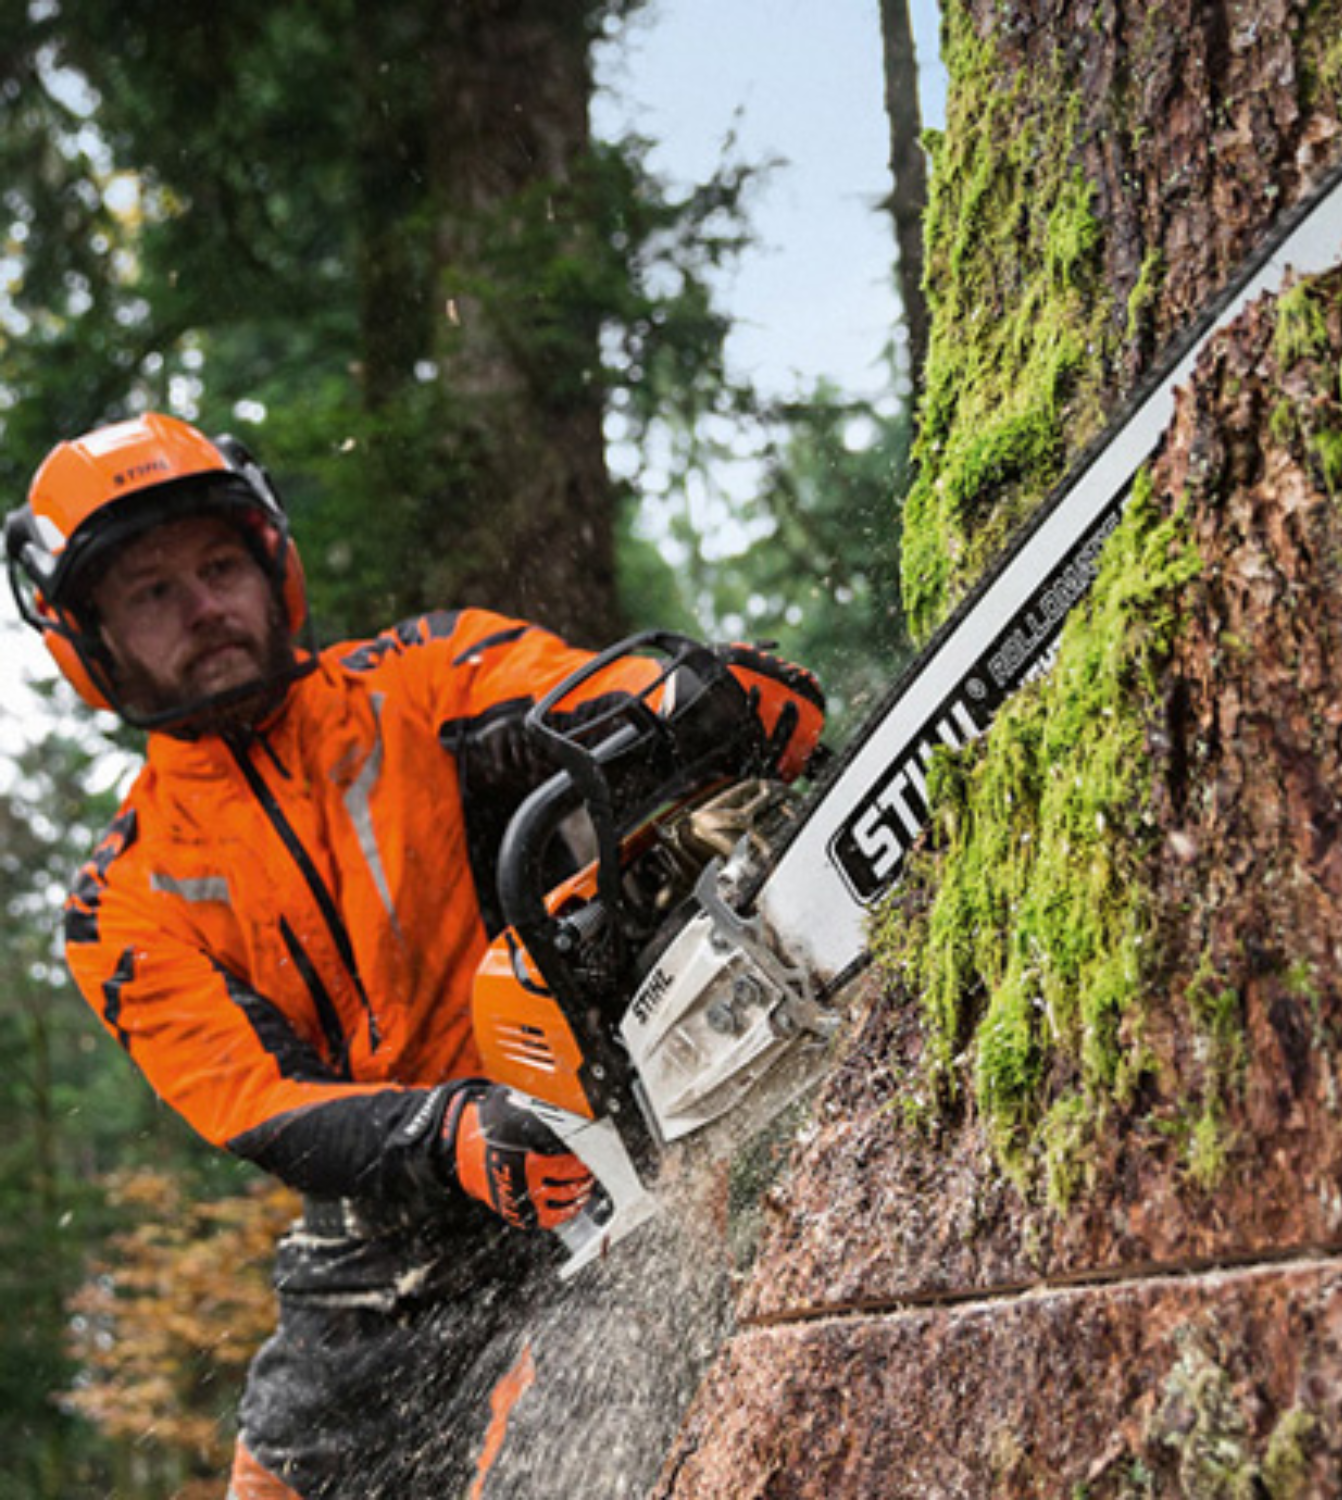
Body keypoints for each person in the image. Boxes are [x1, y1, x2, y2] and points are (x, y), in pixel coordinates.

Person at [4, 412, 824, 1499]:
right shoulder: (120, 896)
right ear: (90, 640)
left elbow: (560, 693)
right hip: (369, 1243)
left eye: (218, 567)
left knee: (548, 1466)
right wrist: (444, 1132)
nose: (203, 607)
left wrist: (687, 704)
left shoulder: (418, 676)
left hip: (579, 1145)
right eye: (154, 592)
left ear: (271, 564)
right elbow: (258, 1102)